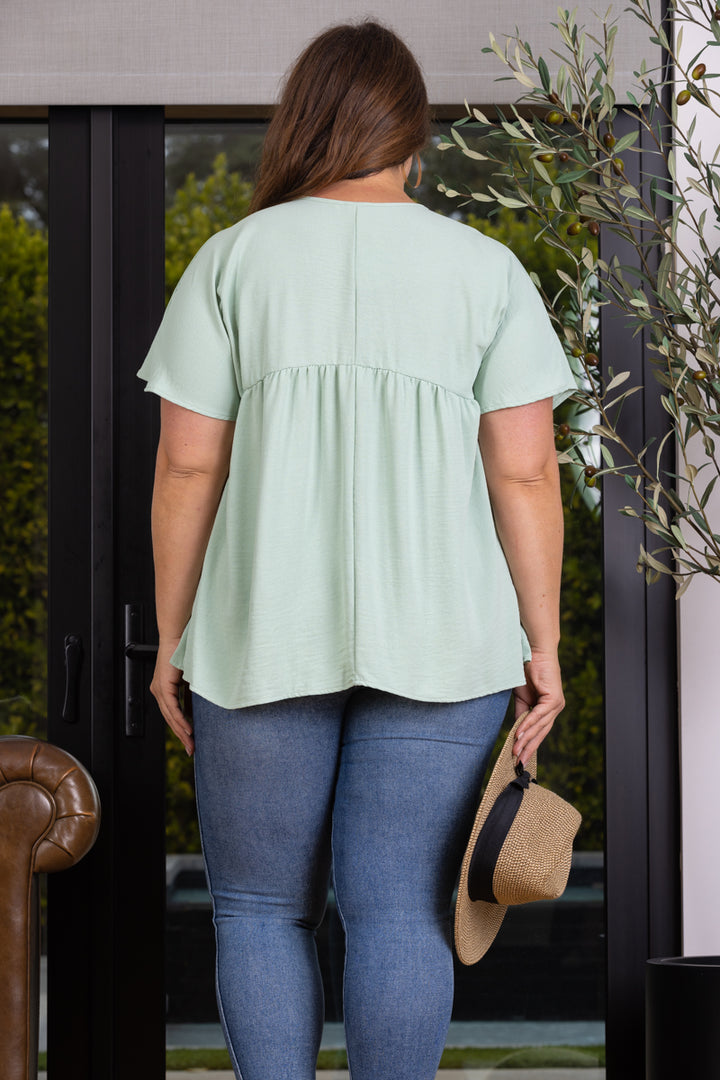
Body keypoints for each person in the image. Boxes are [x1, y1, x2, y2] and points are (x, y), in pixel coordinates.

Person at [138, 19, 575, 1080]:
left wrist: (173, 637)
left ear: (304, 123)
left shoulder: (232, 260)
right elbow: (524, 473)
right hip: (445, 642)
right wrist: (543, 644)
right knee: (401, 913)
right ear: (412, 136)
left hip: (261, 635)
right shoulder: (484, 270)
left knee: (257, 910)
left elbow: (188, 467)